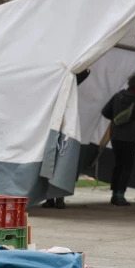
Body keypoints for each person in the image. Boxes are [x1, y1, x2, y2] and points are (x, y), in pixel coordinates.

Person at [42, 68, 91, 209]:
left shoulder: (57, 84)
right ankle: (56, 198)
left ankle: (53, 199)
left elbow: (85, 72)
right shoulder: (65, 84)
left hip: (57, 129)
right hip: (61, 129)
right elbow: (86, 72)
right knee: (58, 163)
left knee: (53, 163)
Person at [101, 73, 135, 206]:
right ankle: (120, 195)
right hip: (130, 137)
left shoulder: (118, 96)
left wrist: (117, 120)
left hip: (115, 135)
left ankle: (114, 194)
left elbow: (105, 112)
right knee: (127, 166)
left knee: (118, 164)